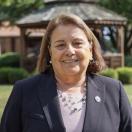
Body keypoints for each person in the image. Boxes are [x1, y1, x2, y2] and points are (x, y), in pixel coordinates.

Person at [0, 13, 132, 132]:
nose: (70, 51)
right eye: (60, 45)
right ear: (50, 52)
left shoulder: (114, 91)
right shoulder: (24, 91)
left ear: (90, 49)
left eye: (77, 43)